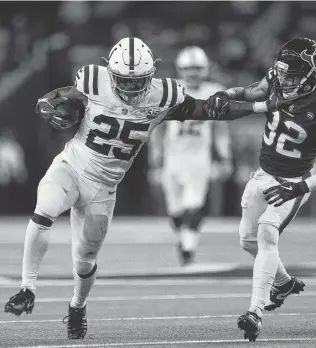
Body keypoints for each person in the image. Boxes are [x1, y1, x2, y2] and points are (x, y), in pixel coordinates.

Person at [4, 37, 259, 340]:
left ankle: (77, 306)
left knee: (85, 260)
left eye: (137, 81)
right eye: (124, 80)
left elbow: (210, 110)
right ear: (110, 73)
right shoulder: (92, 82)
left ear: (150, 76)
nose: (130, 88)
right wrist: (47, 106)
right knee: (44, 211)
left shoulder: (164, 96)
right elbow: (51, 99)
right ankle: (27, 288)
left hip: (104, 189)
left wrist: (261, 105)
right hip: (71, 168)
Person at [208, 37, 316, 341]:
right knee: (247, 241)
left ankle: (255, 312)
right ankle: (283, 283)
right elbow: (249, 91)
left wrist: (298, 189)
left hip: (294, 180)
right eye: (282, 73)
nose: (284, 80)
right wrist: (224, 93)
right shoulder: (276, 78)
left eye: (292, 75)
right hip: (263, 173)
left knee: (268, 230)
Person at [148, 46, 232, 265]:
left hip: (198, 158)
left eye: (196, 68)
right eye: (188, 68)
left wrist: (224, 157)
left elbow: (220, 130)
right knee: (175, 210)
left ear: (204, 69)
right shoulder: (170, 90)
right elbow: (157, 128)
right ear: (180, 69)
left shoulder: (215, 91)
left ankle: (188, 248)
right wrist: (156, 159)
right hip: (173, 157)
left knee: (194, 205)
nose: (192, 73)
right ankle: (184, 239)